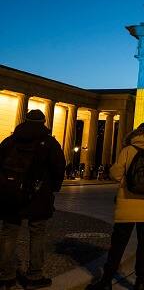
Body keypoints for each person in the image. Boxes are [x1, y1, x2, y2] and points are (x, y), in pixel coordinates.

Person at [86, 122, 144, 290]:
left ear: (137, 133)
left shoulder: (128, 150)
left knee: (118, 245)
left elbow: (116, 173)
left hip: (127, 205)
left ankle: (106, 281)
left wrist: (126, 182)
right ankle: (140, 282)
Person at [0, 109, 66, 290]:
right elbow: (59, 167)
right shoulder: (49, 143)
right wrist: (53, 187)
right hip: (39, 195)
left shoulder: (10, 140)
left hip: (11, 195)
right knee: (37, 234)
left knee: (8, 234)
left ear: (25, 120)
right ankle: (34, 276)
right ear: (44, 122)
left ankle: (5, 275)